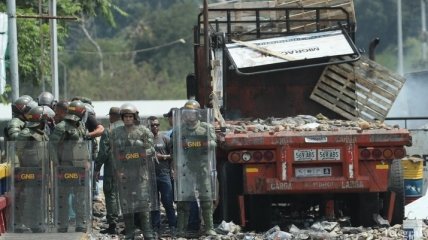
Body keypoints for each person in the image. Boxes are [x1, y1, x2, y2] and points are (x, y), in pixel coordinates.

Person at [109, 103, 157, 240]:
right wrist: (118, 171)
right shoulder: (116, 132)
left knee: (143, 203)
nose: (128, 119)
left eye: (130, 116)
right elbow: (114, 154)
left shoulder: (144, 131)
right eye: (126, 116)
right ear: (122, 118)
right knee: (126, 204)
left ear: (135, 117)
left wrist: (139, 152)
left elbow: (151, 149)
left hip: (141, 171)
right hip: (124, 172)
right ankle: (129, 232)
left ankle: (147, 231)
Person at [174, 99, 217, 237]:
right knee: (183, 202)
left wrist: (201, 143)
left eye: (192, 113)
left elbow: (213, 144)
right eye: (186, 113)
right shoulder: (179, 130)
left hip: (202, 168)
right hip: (186, 169)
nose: (189, 115)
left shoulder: (206, 128)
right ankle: (181, 229)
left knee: (206, 200)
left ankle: (209, 227)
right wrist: (175, 168)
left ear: (198, 114)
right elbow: (176, 150)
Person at [49, 100, 92, 233]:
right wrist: (57, 164)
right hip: (65, 166)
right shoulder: (61, 127)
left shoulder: (81, 126)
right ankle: (62, 224)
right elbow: (51, 146)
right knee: (63, 197)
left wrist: (87, 160)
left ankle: (81, 223)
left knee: (81, 197)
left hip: (80, 167)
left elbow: (83, 144)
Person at [14, 106, 52, 233]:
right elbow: (16, 152)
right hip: (28, 171)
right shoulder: (26, 133)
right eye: (45, 118)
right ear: (40, 119)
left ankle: (36, 223)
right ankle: (24, 224)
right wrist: (20, 171)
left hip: (41, 171)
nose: (47, 120)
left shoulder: (43, 133)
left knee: (38, 198)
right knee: (28, 198)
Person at [164, 108, 201, 232]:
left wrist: (175, 168)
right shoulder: (184, 130)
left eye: (169, 117)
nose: (168, 120)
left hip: (184, 167)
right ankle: (190, 223)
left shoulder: (177, 132)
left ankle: (191, 224)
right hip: (188, 167)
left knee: (187, 197)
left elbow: (176, 152)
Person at [71, 96, 104, 201]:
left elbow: (101, 129)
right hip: (73, 155)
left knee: (90, 178)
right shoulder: (68, 116)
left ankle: (93, 196)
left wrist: (87, 135)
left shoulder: (87, 115)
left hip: (88, 152)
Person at [147, 116, 176, 235]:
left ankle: (173, 226)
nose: (155, 127)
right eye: (152, 125)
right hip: (150, 176)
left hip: (164, 174)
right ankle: (155, 227)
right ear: (148, 127)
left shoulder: (165, 139)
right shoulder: (145, 141)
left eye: (157, 125)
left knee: (168, 201)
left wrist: (163, 157)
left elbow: (174, 155)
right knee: (154, 203)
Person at [95, 107, 122, 235]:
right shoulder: (129, 129)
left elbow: (103, 152)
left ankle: (113, 224)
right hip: (129, 166)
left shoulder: (109, 131)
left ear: (113, 116)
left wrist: (97, 168)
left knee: (111, 192)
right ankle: (130, 224)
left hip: (113, 166)